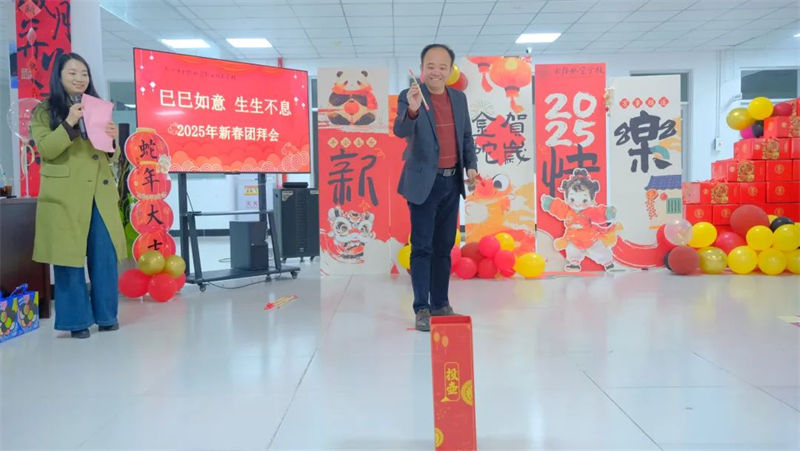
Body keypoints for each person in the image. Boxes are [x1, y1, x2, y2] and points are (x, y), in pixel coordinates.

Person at [30, 53, 127, 339]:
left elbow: (110, 155)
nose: (79, 78)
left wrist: (112, 140)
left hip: (99, 192)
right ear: (59, 76)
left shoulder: (97, 106)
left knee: (104, 256)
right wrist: (69, 122)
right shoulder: (45, 111)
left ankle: (107, 316)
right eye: (72, 73)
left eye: (84, 73)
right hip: (65, 194)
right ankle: (76, 322)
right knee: (68, 258)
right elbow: (46, 149)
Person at [394, 44, 479, 332]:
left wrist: (471, 167)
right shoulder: (410, 96)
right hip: (423, 184)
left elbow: (466, 137)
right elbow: (401, 131)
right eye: (430, 66)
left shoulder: (459, 98)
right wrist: (413, 109)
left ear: (450, 70)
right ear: (421, 69)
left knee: (444, 247)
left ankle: (441, 304)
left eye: (443, 67)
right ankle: (422, 308)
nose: (436, 72)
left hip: (451, 182)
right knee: (422, 247)